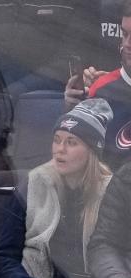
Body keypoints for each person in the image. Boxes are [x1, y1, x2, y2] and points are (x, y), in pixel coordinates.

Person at [0, 99, 114, 278]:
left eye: (71, 142)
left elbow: (120, 259)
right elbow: (4, 257)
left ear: (92, 150)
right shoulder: (33, 183)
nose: (60, 149)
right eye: (57, 140)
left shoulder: (113, 193)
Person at [67, 2, 131, 168]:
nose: (127, 44)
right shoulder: (103, 91)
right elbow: (79, 165)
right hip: (113, 190)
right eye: (125, 34)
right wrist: (69, 109)